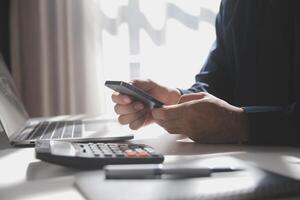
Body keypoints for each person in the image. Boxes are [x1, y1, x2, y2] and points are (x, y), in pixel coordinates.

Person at [111, 0, 300, 146]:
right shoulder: (234, 4)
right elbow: (217, 80)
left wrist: (240, 124)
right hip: (252, 165)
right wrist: (175, 98)